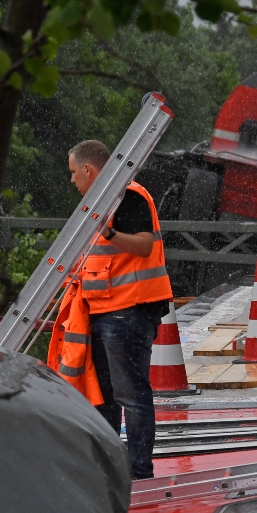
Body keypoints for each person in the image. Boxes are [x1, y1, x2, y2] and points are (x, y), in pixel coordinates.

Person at [56, 139, 172, 480]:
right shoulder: (98, 205)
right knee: (106, 396)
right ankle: (114, 467)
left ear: (89, 170)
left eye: (74, 172)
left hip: (129, 311)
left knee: (130, 394)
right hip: (106, 310)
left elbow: (143, 244)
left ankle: (137, 471)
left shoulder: (127, 195)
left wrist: (106, 230)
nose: (72, 180)